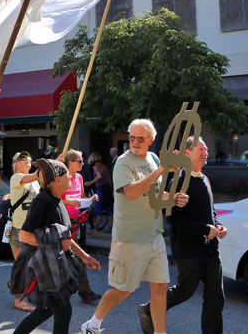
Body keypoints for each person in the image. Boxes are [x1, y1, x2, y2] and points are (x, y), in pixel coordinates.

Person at [81, 119, 189, 334]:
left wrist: (173, 198)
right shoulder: (123, 162)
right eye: (132, 137)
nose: (135, 142)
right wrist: (160, 171)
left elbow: (155, 194)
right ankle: (92, 325)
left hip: (154, 234)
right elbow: (131, 192)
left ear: (151, 140)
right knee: (124, 289)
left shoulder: (153, 158)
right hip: (129, 237)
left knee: (159, 288)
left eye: (141, 138)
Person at [139, 137, 227, 334]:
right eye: (201, 150)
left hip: (211, 249)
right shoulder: (178, 180)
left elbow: (210, 212)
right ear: (187, 153)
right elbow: (174, 220)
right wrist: (206, 229)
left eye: (206, 150)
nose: (206, 153)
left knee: (216, 295)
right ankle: (149, 309)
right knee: (185, 291)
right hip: (189, 250)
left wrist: (218, 226)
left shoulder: (205, 178)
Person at [12, 158, 101, 334]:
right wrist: (55, 242)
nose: (71, 178)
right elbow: (24, 235)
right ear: (58, 179)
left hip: (54, 265)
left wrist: (84, 256)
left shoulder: (58, 199)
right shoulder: (43, 201)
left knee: (46, 310)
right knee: (63, 308)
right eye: (67, 174)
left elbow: (65, 236)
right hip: (42, 266)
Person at [62, 150, 101, 304]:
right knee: (75, 257)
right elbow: (54, 198)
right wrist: (70, 203)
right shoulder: (62, 177)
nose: (83, 164)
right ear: (70, 162)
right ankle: (84, 292)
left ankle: (84, 292)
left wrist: (90, 199)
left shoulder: (79, 177)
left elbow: (81, 198)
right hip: (62, 221)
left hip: (75, 221)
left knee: (74, 257)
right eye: (79, 161)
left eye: (82, 161)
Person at [9, 151, 41, 312]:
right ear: (16, 164)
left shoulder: (35, 183)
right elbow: (36, 175)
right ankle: (19, 300)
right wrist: (52, 163)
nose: (28, 161)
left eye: (29, 159)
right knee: (22, 266)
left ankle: (16, 284)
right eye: (23, 160)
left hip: (32, 230)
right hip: (18, 229)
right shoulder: (16, 178)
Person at [87, 152, 113, 232]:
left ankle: (96, 227)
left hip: (100, 190)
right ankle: (110, 228)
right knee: (109, 209)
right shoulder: (104, 166)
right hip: (108, 189)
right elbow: (109, 179)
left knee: (98, 208)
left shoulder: (95, 167)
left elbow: (99, 176)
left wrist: (90, 182)